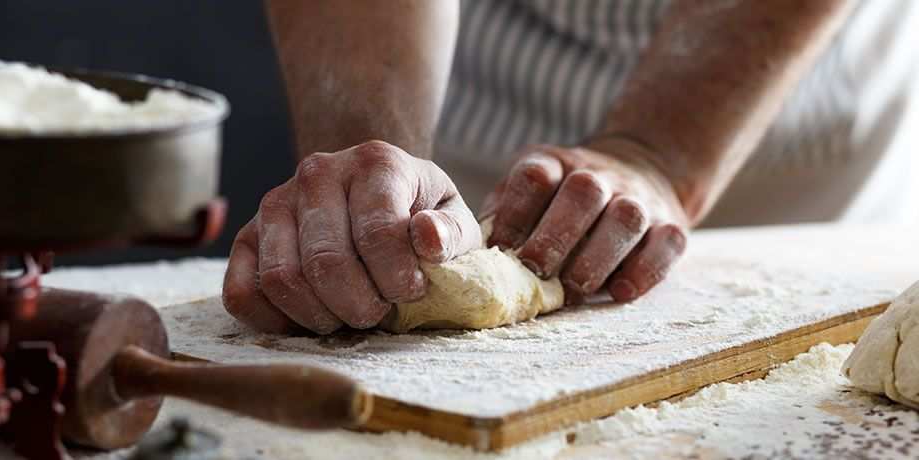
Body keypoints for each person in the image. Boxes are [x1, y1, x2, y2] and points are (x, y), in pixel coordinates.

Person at [222, 0, 919, 334]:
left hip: (794, 138)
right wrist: (370, 170)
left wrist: (660, 155)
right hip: (474, 102)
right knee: (410, 268)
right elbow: (382, 204)